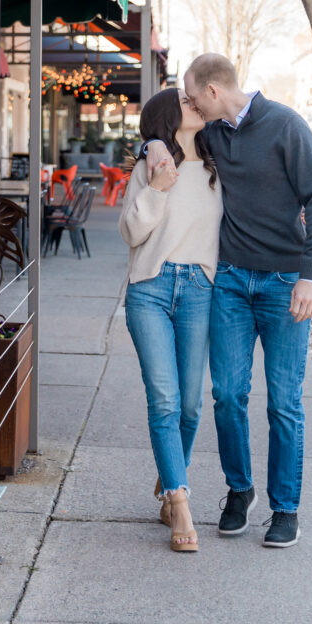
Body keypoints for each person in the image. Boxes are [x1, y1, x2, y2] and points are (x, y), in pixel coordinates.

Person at [144, 54, 312, 548]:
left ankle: (285, 507)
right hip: (228, 280)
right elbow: (160, 125)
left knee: (284, 402)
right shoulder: (212, 133)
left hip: (285, 282)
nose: (191, 107)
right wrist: (151, 144)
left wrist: (311, 278)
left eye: (191, 97)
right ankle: (239, 490)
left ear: (211, 92)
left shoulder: (287, 126)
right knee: (227, 395)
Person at [119, 88, 223, 553]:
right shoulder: (150, 168)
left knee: (191, 405)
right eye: (185, 100)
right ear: (166, 116)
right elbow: (130, 232)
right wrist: (157, 188)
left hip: (200, 289)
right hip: (151, 289)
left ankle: (169, 478)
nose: (195, 102)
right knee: (164, 399)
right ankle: (179, 502)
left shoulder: (220, 164)